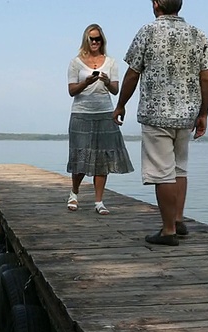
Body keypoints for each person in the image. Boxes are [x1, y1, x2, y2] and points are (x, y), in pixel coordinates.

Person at [113, 0, 208, 245]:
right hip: (186, 115)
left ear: (157, 4)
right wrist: (203, 113)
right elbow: (206, 79)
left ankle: (168, 230)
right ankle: (178, 219)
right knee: (179, 168)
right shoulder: (197, 34)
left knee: (162, 173)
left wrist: (121, 104)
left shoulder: (148, 31)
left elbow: (132, 73)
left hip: (156, 113)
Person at [67, 24, 134, 215]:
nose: (95, 42)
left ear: (102, 41)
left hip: (105, 113)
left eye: (98, 39)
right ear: (86, 40)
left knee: (102, 158)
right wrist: (85, 83)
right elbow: (71, 91)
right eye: (92, 39)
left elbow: (115, 90)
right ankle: (74, 193)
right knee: (81, 157)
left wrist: (105, 81)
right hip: (81, 114)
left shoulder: (111, 62)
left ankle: (99, 201)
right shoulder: (75, 63)